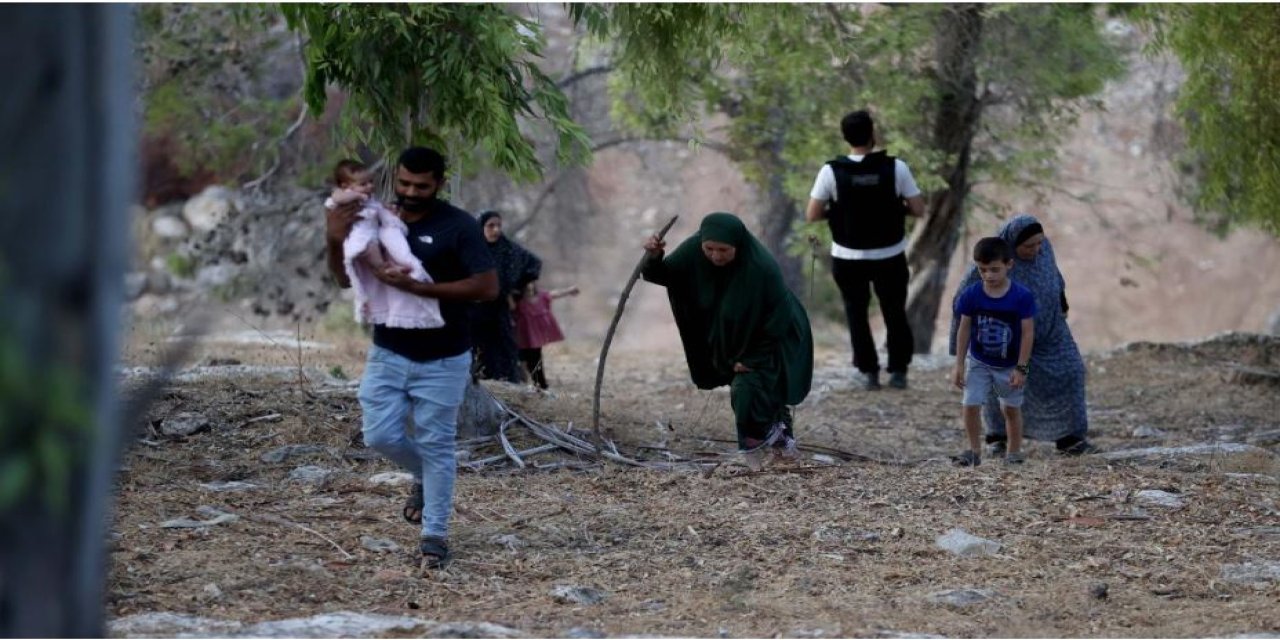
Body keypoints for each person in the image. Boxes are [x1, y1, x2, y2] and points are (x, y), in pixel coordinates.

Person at [324, 147, 498, 568]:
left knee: (438, 445)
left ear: (439, 182)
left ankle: (434, 536)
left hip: (444, 359)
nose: (411, 192)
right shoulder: (378, 218)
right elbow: (342, 279)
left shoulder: (458, 226)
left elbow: (488, 287)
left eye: (422, 185)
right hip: (388, 353)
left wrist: (422, 290)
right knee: (379, 436)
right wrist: (333, 237)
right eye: (404, 183)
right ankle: (423, 474)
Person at [642, 212, 813, 469]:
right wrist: (654, 257)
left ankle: (763, 449)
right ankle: (780, 448)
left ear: (738, 245)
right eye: (709, 248)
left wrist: (752, 357)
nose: (716, 255)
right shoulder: (693, 250)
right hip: (736, 335)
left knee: (749, 387)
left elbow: (778, 319)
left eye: (724, 250)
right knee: (758, 391)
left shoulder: (762, 267)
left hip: (776, 335)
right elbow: (665, 275)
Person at [949, 214, 1099, 456]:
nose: (1036, 249)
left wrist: (1061, 305)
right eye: (1029, 246)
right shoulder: (993, 261)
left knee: (1071, 371)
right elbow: (963, 305)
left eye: (1040, 243)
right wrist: (959, 354)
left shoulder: (1044, 250)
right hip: (1006, 339)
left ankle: (1070, 438)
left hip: (1051, 331)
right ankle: (998, 438)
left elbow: (1055, 278)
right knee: (996, 384)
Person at [805, 109, 925, 390]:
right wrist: (896, 209)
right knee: (894, 311)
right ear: (873, 134)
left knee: (855, 312)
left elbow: (812, 213)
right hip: (890, 254)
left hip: (848, 257)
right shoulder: (896, 168)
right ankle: (898, 372)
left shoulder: (831, 171)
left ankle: (869, 372)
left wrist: (840, 214)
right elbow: (919, 209)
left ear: (845, 136)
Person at [327, 159, 443, 329]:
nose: (369, 187)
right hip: (361, 238)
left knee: (385, 249)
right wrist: (356, 195)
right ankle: (384, 269)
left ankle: (393, 268)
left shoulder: (369, 199)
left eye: (370, 182)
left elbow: (377, 208)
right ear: (345, 185)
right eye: (363, 184)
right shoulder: (342, 198)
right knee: (374, 257)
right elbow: (337, 197)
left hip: (372, 234)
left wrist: (386, 211)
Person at [951, 237, 1036, 466]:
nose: (989, 275)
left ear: (1009, 264)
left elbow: (1028, 333)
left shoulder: (1021, 296)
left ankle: (1014, 452)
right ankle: (973, 451)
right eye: (983, 269)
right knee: (970, 403)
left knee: (1010, 408)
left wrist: (1022, 367)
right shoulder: (971, 295)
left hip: (1009, 365)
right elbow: (964, 328)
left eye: (995, 269)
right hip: (979, 361)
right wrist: (959, 363)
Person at [471, 210, 541, 384]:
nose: (495, 230)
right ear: (481, 227)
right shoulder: (472, 249)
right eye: (491, 226)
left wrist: (515, 290)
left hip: (499, 310)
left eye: (498, 226)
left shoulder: (509, 250)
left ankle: (504, 381)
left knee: (503, 346)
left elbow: (532, 263)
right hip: (474, 309)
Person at [513, 279, 579, 390]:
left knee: (536, 362)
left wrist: (568, 291)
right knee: (521, 362)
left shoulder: (542, 297)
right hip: (522, 339)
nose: (529, 291)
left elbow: (555, 294)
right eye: (527, 289)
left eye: (531, 288)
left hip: (534, 340)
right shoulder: (519, 301)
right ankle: (523, 384)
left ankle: (541, 386)